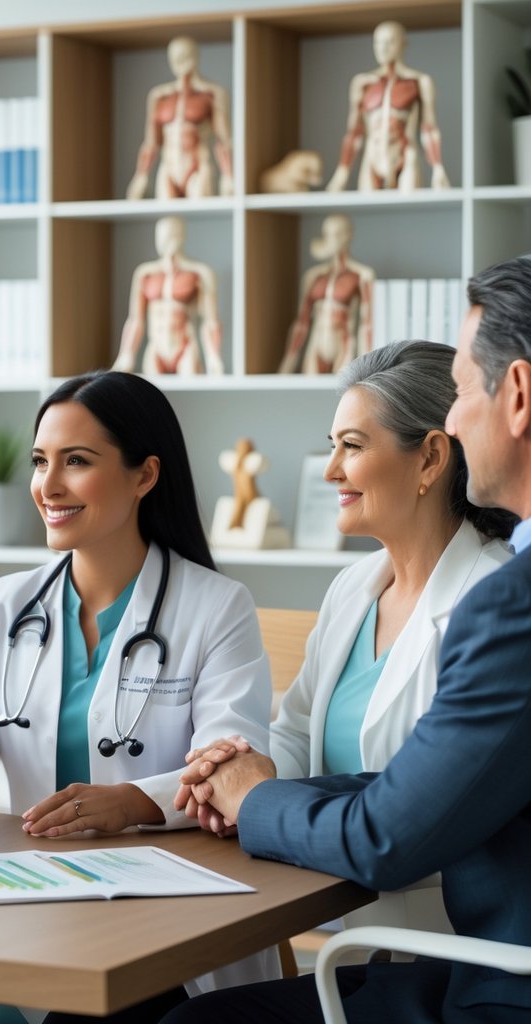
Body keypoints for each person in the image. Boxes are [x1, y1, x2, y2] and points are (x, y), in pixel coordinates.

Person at [163, 253, 531, 1023]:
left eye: (352, 446)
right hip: (372, 930)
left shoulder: (500, 601)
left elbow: (393, 826)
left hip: (464, 965)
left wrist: (258, 798)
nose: (330, 469)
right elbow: (327, 749)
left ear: (431, 455)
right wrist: (241, 774)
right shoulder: (350, 591)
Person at [0, 370, 278, 1024]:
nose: (49, 485)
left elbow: (232, 768)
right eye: (41, 461)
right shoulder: (3, 605)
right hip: (36, 910)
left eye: (77, 461)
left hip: (164, 919)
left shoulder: (216, 608)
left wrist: (132, 802)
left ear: (144, 475)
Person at [326, 20, 449, 193]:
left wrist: (438, 168)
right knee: (367, 209)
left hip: (405, 156)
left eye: (389, 41)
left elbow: (429, 128)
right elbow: (355, 131)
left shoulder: (419, 82)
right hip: (372, 158)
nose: (382, 48)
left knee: (410, 206)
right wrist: (342, 172)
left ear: (403, 43)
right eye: (377, 42)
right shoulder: (362, 83)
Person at [112, 216, 223, 377]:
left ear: (181, 237)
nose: (166, 240)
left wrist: (213, 357)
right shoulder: (145, 273)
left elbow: (210, 321)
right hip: (157, 348)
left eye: (172, 234)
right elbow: (136, 319)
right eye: (163, 235)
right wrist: (126, 355)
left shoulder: (198, 273)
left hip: (184, 345)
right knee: (151, 397)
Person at [126, 35, 234, 200]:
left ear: (195, 56)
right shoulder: (159, 96)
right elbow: (151, 143)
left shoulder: (210, 94)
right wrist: (140, 176)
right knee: (166, 216)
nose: (180, 60)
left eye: (186, 55)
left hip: (197, 166)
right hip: (168, 167)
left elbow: (223, 139)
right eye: (175, 56)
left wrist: (228, 175)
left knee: (200, 207)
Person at [278, 214, 375, 375]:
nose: (333, 239)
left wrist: (369, 370)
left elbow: (367, 324)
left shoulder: (362, 275)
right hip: (316, 344)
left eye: (338, 234)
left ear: (349, 235)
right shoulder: (313, 276)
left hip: (343, 345)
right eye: (328, 234)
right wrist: (286, 366)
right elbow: (302, 322)